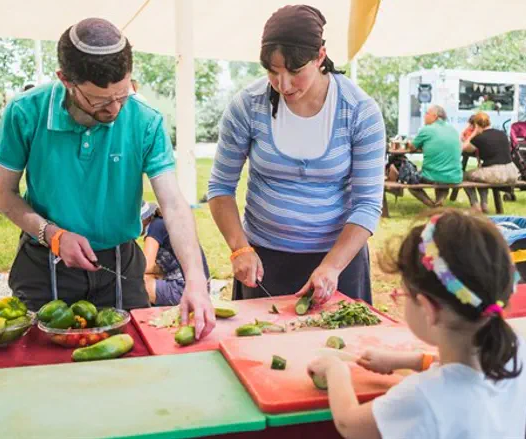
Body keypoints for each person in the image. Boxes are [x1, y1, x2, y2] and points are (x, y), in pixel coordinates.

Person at [0, 18, 214, 338]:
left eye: (122, 95)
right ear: (65, 80)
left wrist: (195, 279)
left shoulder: (145, 121)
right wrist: (53, 235)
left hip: (121, 265)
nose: (114, 109)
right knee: (40, 358)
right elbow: (3, 196)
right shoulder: (25, 112)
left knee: (135, 354)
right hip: (44, 263)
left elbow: (173, 205)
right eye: (99, 100)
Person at [207, 5, 386, 305]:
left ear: (320, 57)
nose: (283, 84)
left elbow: (367, 204)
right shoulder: (247, 106)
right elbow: (220, 187)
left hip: (339, 261)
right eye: (272, 72)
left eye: (295, 72)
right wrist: (240, 248)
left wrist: (332, 266)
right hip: (264, 261)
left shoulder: (359, 111)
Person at [307, 209, 526, 439]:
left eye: (402, 294)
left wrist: (335, 370)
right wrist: (406, 361)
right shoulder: (514, 349)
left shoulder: (423, 397)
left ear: (428, 309)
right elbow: (461, 372)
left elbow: (349, 423)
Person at [141, 202, 211, 306]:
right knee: (148, 276)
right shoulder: (161, 222)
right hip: (201, 287)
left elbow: (145, 266)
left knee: (136, 284)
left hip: (184, 290)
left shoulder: (155, 227)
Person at [405, 105, 463, 207]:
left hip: (433, 175)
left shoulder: (427, 130)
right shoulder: (453, 130)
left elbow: (412, 148)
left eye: (427, 113)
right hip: (454, 176)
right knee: (443, 177)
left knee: (411, 180)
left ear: (435, 116)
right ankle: (439, 201)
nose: (425, 116)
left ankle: (432, 206)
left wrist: (408, 144)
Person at [462, 112, 520, 213]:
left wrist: (474, 133)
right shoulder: (502, 134)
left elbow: (465, 148)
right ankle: (484, 204)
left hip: (495, 174)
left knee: (464, 176)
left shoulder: (479, 138)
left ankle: (475, 205)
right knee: (480, 175)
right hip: (512, 172)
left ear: (476, 125)